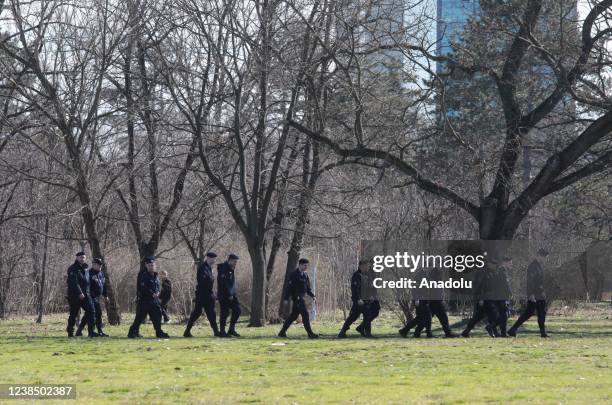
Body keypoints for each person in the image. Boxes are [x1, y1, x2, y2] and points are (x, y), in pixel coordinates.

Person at [508, 248, 549, 338]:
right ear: (539, 255)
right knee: (534, 313)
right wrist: (531, 294)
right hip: (535, 294)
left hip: (540, 293)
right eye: (544, 256)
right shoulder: (532, 267)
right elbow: (530, 282)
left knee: (533, 313)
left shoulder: (539, 266)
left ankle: (513, 329)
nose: (545, 259)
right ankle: (542, 333)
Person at [127, 257, 169, 338]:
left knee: (157, 317)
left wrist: (158, 293)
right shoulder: (143, 275)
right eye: (149, 265)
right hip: (145, 301)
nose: (151, 267)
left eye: (152, 265)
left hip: (155, 301)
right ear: (146, 265)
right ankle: (132, 332)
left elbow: (158, 287)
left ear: (155, 265)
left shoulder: (156, 275)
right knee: (139, 318)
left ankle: (159, 332)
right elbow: (143, 287)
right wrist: (152, 294)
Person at [278, 258, 319, 338]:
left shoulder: (305, 275)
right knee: (305, 315)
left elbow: (307, 288)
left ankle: (282, 332)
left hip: (302, 297)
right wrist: (286, 298)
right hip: (297, 298)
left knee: (293, 316)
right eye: (304, 265)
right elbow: (289, 288)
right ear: (300, 265)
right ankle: (310, 334)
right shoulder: (293, 275)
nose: (306, 267)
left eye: (307, 265)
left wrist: (313, 296)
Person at [184, 252, 222, 337]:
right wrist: (211, 280)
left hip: (207, 294)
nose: (214, 260)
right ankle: (187, 331)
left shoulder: (209, 268)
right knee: (198, 313)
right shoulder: (203, 268)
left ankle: (216, 332)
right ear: (208, 258)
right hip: (202, 295)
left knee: (211, 313)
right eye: (213, 259)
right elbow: (203, 282)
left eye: (215, 259)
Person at [338, 259, 376, 338]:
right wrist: (358, 299)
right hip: (359, 300)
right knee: (353, 317)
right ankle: (342, 332)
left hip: (366, 299)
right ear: (361, 266)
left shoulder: (368, 275)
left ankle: (367, 333)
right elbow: (355, 289)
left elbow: (371, 287)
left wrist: (372, 295)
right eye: (366, 266)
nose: (368, 267)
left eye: (368, 266)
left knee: (367, 316)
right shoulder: (357, 275)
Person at [66, 251, 98, 338]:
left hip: (86, 295)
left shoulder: (86, 268)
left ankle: (91, 331)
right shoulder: (72, 269)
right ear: (77, 258)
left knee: (91, 311)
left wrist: (90, 292)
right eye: (81, 257)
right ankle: (70, 332)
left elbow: (88, 282)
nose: (82, 259)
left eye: (84, 257)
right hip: (75, 295)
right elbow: (74, 282)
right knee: (74, 314)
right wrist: (80, 292)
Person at [76, 258, 108, 337]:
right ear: (93, 265)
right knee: (95, 313)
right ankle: (93, 331)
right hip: (89, 296)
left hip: (97, 297)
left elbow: (103, 286)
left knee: (89, 314)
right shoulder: (89, 273)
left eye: (101, 265)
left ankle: (80, 331)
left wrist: (105, 295)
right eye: (98, 265)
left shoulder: (101, 274)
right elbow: (85, 285)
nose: (100, 266)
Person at [399, 268, 432, 338]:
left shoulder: (427, 275)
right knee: (426, 317)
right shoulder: (419, 276)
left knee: (420, 318)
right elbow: (415, 288)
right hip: (420, 300)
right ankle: (428, 333)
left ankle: (407, 331)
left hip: (424, 300)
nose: (429, 268)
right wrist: (416, 299)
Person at [217, 254, 241, 337]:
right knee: (224, 313)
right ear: (230, 260)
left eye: (236, 262)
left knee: (237, 310)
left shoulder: (231, 268)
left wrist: (233, 293)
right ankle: (222, 331)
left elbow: (230, 283)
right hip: (224, 295)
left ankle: (231, 329)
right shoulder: (223, 269)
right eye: (234, 261)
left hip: (232, 295)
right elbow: (223, 283)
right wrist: (229, 294)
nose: (235, 263)